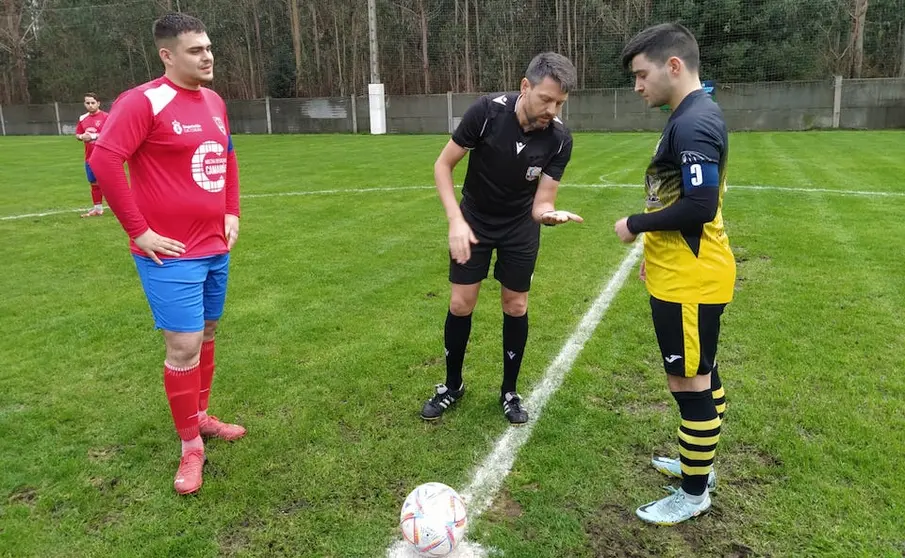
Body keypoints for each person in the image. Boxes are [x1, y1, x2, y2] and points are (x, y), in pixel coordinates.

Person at [89, 12, 245, 495]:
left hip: (214, 245)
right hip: (170, 254)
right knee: (183, 345)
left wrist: (231, 209)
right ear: (167, 55)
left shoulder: (215, 101)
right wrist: (140, 231)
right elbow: (104, 161)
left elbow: (228, 154)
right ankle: (189, 447)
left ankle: (200, 415)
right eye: (196, 50)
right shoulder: (142, 101)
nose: (207, 56)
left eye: (208, 47)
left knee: (210, 331)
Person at [613, 22, 735, 524]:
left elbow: (700, 206)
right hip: (683, 271)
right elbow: (681, 196)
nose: (637, 86)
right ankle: (697, 467)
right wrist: (653, 253)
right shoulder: (690, 113)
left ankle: (694, 492)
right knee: (702, 371)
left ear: (674, 66)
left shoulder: (693, 123)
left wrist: (635, 225)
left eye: (641, 75)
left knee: (689, 383)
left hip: (692, 279)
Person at [420, 52, 583, 425]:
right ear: (525, 87)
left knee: (516, 305)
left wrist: (549, 215)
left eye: (560, 103)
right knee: (461, 303)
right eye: (546, 99)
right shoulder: (486, 112)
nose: (552, 110)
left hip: (519, 226)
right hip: (474, 218)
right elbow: (443, 165)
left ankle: (509, 391)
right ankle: (452, 385)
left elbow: (542, 202)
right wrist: (455, 221)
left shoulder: (559, 139)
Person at [74, 92, 109, 217]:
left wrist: (93, 136)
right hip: (89, 156)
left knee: (109, 183)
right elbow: (77, 134)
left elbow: (110, 134)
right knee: (93, 182)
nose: (90, 105)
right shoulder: (82, 118)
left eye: (92, 103)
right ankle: (98, 209)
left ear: (98, 103)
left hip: (104, 156)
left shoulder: (106, 117)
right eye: (87, 103)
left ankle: (123, 208)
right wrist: (82, 136)